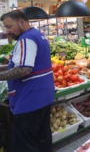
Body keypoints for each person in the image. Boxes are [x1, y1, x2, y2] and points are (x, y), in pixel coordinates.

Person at [0, 10, 54, 152]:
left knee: (25, 144)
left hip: (29, 100)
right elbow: (30, 63)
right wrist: (5, 67)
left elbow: (24, 69)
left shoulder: (26, 39)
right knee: (42, 139)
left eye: (9, 26)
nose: (7, 31)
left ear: (21, 22)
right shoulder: (37, 35)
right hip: (43, 96)